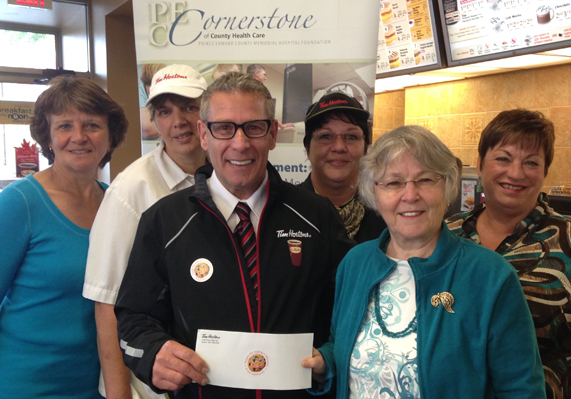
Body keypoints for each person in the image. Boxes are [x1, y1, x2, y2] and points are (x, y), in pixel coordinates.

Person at [114, 72, 354, 399]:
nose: (239, 143)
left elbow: (353, 307)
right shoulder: (164, 221)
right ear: (203, 134)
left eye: (253, 127)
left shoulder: (316, 217)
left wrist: (331, 356)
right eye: (224, 128)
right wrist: (153, 353)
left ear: (271, 134)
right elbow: (133, 317)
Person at [303, 125, 545, 399]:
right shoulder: (355, 263)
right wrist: (326, 362)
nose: (410, 195)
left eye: (426, 180)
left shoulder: (491, 276)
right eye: (393, 182)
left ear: (448, 186)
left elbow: (521, 389)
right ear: (374, 192)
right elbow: (344, 345)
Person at [446, 109, 571, 398]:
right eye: (503, 158)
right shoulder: (444, 237)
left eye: (531, 162)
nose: (516, 173)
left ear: (544, 172)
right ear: (479, 164)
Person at [83, 64, 208, 399]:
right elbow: (106, 302)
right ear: (155, 121)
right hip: (147, 387)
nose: (178, 121)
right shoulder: (131, 190)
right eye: (164, 111)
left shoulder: (226, 179)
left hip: (207, 376)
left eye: (189, 107)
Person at [0, 76, 127, 398]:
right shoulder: (19, 203)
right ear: (48, 136)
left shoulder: (117, 203)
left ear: (111, 135)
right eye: (65, 126)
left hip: (100, 383)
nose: (79, 137)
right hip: (28, 384)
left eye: (92, 125)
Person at [300, 92, 386, 243]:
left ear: (365, 148)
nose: (339, 147)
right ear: (307, 148)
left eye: (351, 137)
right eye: (326, 136)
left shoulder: (386, 214)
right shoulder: (285, 211)